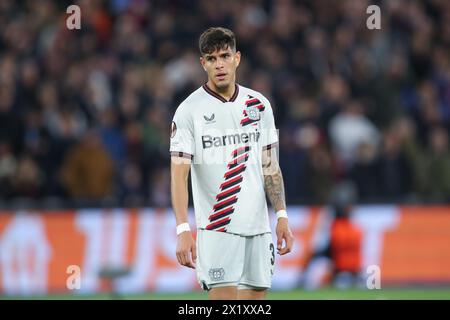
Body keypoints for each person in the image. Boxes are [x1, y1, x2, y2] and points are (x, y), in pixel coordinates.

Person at [170, 27, 294, 300]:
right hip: (217, 227)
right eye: (212, 59)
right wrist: (182, 229)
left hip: (258, 227)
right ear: (203, 64)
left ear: (237, 58)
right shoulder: (189, 110)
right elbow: (179, 176)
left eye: (225, 56)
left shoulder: (259, 105)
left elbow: (270, 165)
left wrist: (282, 215)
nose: (220, 64)